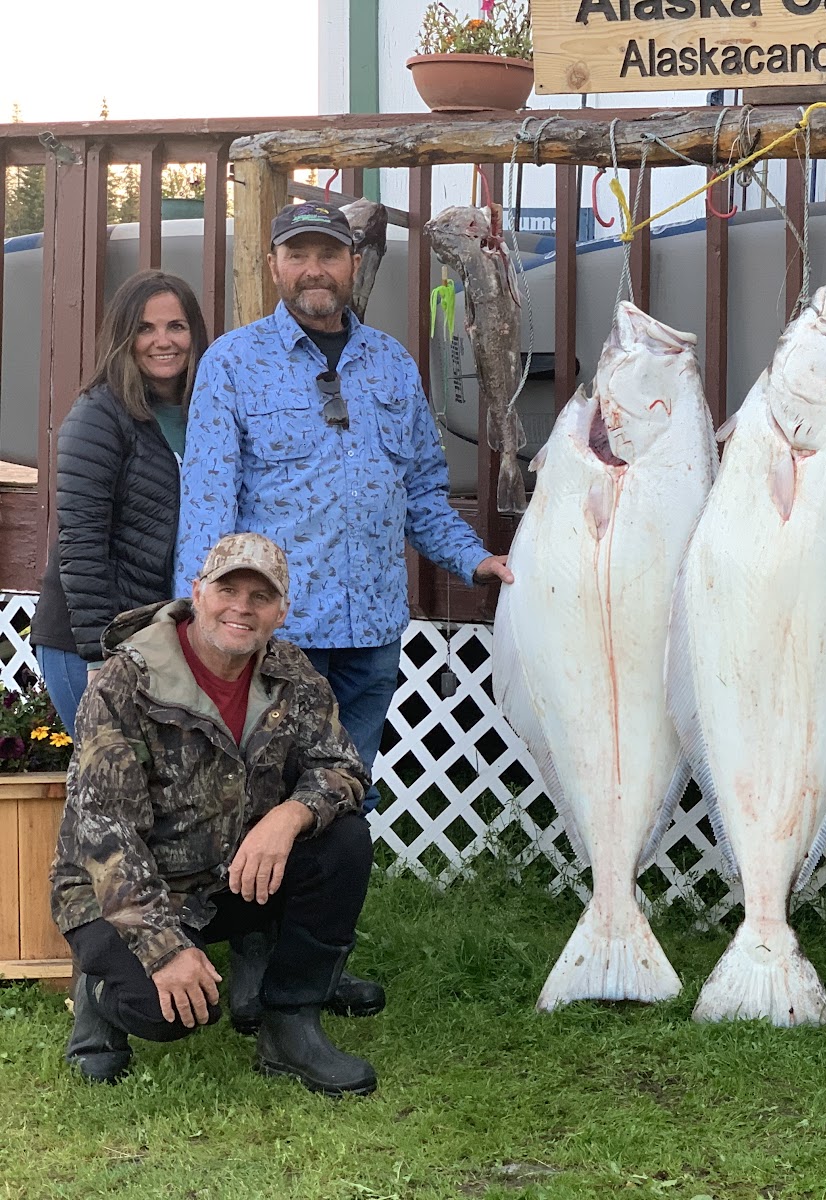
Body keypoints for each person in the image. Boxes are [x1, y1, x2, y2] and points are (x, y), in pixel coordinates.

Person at [173, 200, 512, 1026]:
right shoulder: (233, 364)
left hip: (369, 638)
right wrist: (203, 622)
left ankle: (315, 967)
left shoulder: (392, 367)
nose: (315, 269)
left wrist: (475, 559)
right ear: (277, 267)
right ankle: (257, 974)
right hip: (275, 643)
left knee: (338, 809)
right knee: (260, 808)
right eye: (300, 255)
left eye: (330, 252)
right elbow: (208, 503)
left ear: (354, 262)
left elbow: (422, 492)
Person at [52, 533, 379, 1096]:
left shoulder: (292, 674)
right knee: (171, 1012)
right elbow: (107, 836)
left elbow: (344, 769)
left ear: (281, 611)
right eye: (228, 589)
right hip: (118, 894)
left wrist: (290, 817)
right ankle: (100, 1002)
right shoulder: (124, 682)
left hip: (227, 877)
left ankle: (290, 1028)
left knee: (344, 841)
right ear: (198, 592)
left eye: (260, 596)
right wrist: (164, 950)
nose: (241, 608)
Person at [30, 270, 209, 734]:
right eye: (145, 328)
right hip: (87, 639)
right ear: (123, 336)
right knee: (111, 786)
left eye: (176, 326)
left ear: (195, 331)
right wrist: (99, 653)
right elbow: (81, 542)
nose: (162, 341)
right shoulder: (99, 415)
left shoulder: (211, 412)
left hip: (165, 635)